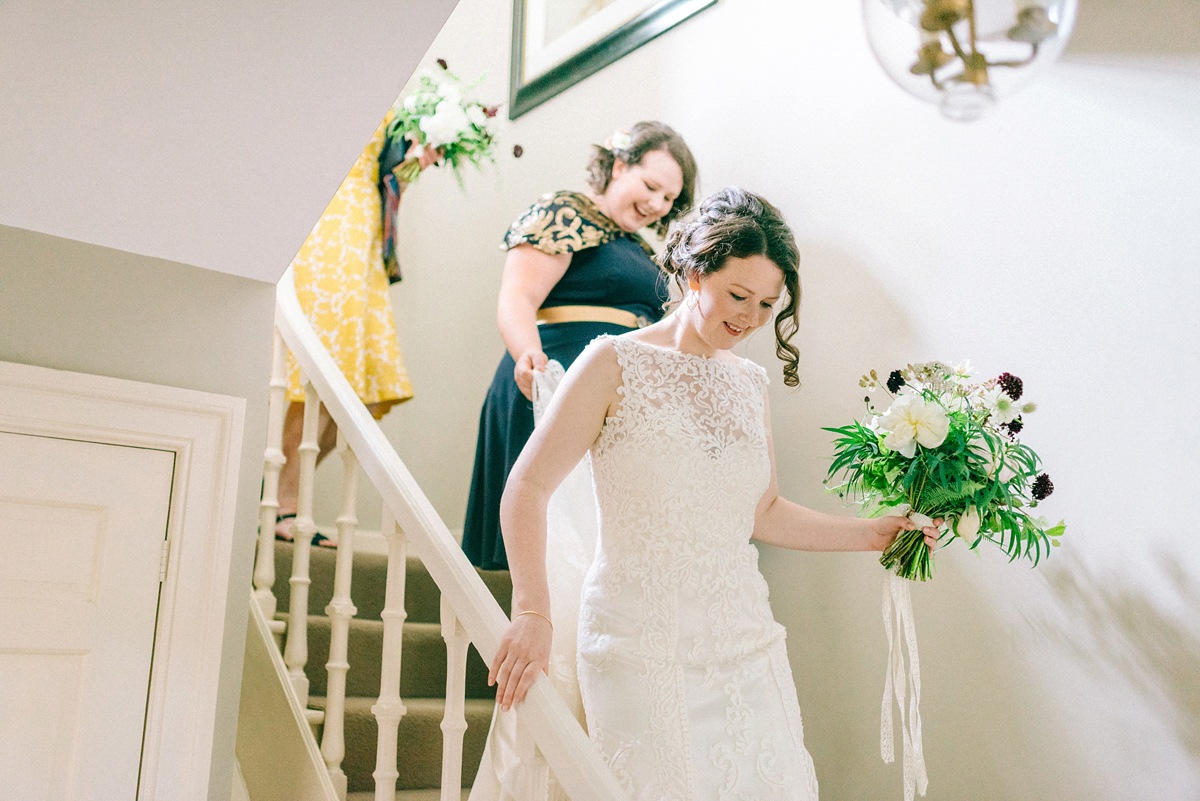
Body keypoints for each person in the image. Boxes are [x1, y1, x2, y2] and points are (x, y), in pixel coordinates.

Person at [487, 188, 940, 800]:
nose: (750, 319)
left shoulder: (750, 385)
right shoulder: (612, 363)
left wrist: (870, 534)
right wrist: (533, 612)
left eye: (766, 305)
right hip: (637, 644)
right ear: (694, 271)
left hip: (745, 640)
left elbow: (763, 511)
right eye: (737, 296)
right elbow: (527, 488)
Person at [462, 121, 699, 569]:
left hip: (610, 397)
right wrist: (527, 355)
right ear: (619, 165)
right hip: (551, 381)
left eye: (668, 199)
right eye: (650, 186)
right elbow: (518, 294)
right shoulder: (566, 212)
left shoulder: (640, 248)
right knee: (543, 537)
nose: (656, 204)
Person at [276, 112, 438, 542]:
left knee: (354, 388)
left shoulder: (402, 100)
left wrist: (417, 162)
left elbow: (389, 174)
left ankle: (278, 495)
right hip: (330, 220)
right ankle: (284, 505)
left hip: (364, 226)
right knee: (319, 372)